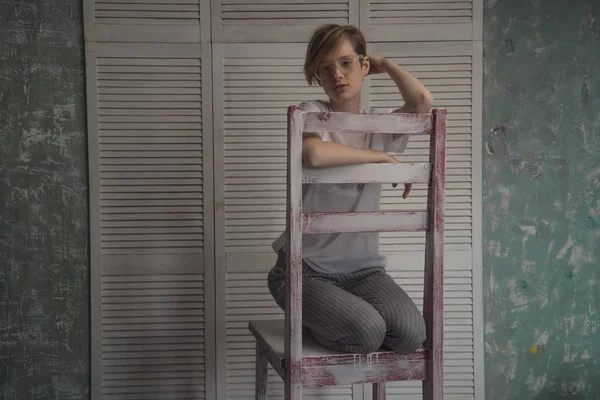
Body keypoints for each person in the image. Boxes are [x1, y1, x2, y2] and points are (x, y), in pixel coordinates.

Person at [267, 24, 433, 355]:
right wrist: (380, 157)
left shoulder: (379, 123)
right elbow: (315, 154)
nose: (337, 75)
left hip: (363, 271)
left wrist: (384, 63)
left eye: (346, 63)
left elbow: (422, 102)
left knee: (412, 335)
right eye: (326, 68)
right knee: (368, 332)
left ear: (363, 66)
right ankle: (318, 318)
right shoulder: (312, 113)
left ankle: (340, 315)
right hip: (304, 269)